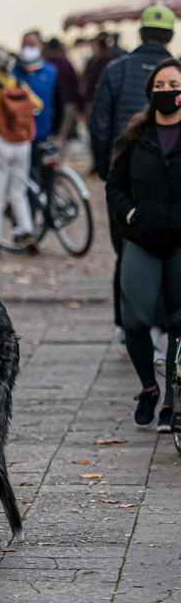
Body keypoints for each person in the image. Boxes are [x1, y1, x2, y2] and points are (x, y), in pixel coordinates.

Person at [106, 58, 181, 433]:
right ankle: (148, 389)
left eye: (175, 84)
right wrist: (130, 215)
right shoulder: (135, 135)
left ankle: (172, 400)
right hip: (142, 239)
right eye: (161, 85)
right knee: (134, 320)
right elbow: (114, 185)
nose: (168, 91)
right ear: (151, 91)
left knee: (179, 323)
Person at [90, 5, 174, 337]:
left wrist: (105, 171)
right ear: (171, 35)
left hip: (124, 178)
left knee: (127, 251)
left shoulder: (115, 70)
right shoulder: (177, 73)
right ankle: (158, 329)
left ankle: (129, 329)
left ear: (139, 33)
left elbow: (98, 125)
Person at [0, 46, 43, 255]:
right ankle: (27, 231)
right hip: (22, 143)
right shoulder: (19, 84)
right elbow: (37, 104)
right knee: (18, 190)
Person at [13, 31, 63, 174]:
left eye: (32, 44)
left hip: (44, 132)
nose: (27, 48)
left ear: (40, 46)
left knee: (46, 174)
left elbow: (59, 103)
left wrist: (56, 130)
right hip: (21, 135)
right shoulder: (14, 72)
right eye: (24, 45)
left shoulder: (51, 71)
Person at [43, 37, 81, 141]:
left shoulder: (44, 62)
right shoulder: (66, 63)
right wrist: (77, 104)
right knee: (61, 135)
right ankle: (56, 155)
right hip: (67, 103)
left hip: (46, 104)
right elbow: (74, 84)